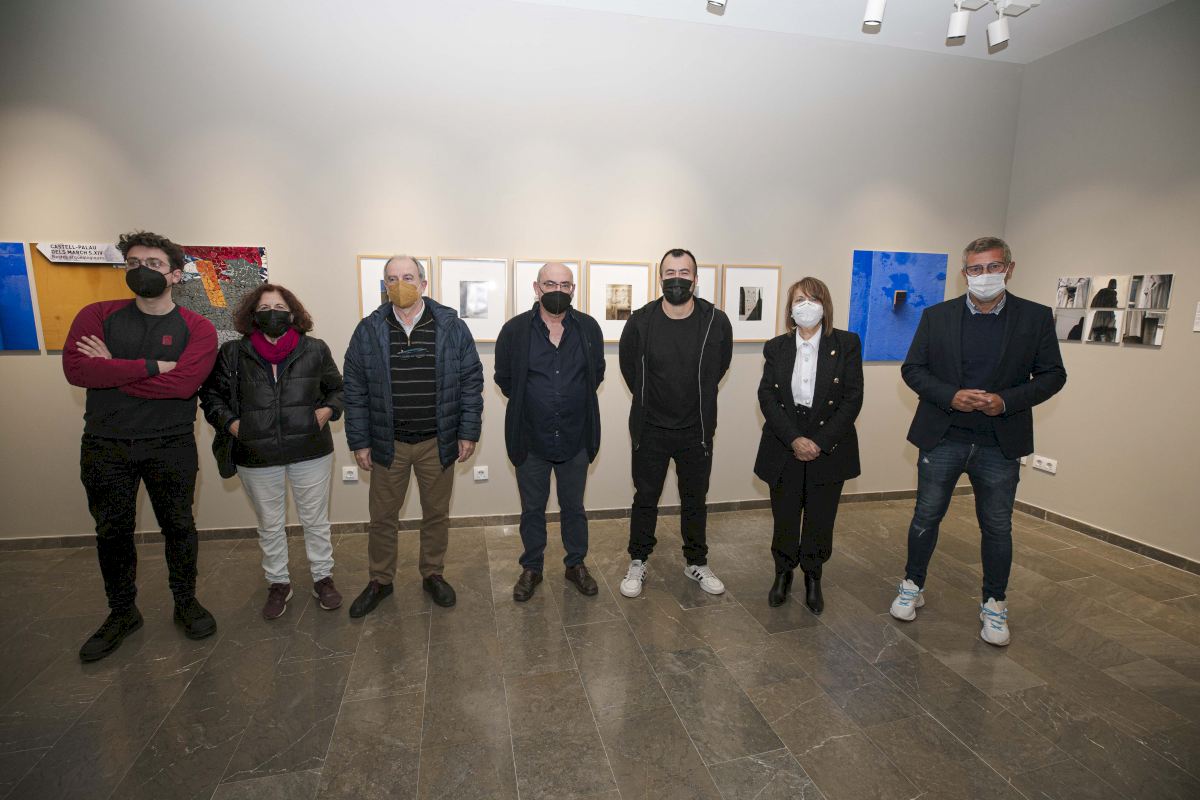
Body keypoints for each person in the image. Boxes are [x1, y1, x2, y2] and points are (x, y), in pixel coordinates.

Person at [889, 236, 1067, 646]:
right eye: (975, 269)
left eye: (993, 267)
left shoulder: (1035, 318)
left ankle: (994, 603)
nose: (984, 275)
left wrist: (1005, 401)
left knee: (997, 526)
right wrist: (950, 395)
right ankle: (912, 585)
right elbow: (913, 369)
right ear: (964, 273)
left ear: (1009, 269)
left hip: (999, 443)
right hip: (943, 437)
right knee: (925, 517)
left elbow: (1053, 375)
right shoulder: (937, 316)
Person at [62, 230, 218, 662]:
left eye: (153, 264)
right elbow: (78, 371)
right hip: (105, 444)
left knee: (179, 526)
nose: (141, 270)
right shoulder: (97, 315)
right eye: (133, 263)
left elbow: (184, 384)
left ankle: (185, 602)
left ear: (175, 275)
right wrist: (153, 367)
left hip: (170, 443)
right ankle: (122, 612)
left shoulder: (197, 327)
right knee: (111, 531)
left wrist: (112, 370)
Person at [343, 255, 483, 617]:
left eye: (407, 277)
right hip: (387, 443)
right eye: (392, 278)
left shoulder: (451, 327)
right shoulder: (369, 329)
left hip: (438, 441)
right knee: (382, 517)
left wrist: (467, 432)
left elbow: (471, 382)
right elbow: (354, 388)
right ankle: (380, 580)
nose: (400, 284)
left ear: (423, 283)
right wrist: (360, 441)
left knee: (436, 513)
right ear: (385, 285)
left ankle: (433, 573)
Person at [200, 284, 345, 619]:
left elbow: (338, 390)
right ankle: (279, 583)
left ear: (292, 314)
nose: (272, 314)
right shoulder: (233, 352)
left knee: (315, 521)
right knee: (270, 524)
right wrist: (233, 425)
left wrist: (326, 412)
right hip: (256, 453)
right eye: (264, 309)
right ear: (253, 316)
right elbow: (211, 396)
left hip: (310, 450)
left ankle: (323, 578)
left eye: (279, 308)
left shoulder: (315, 349)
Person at [617, 248, 733, 598]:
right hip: (650, 429)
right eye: (670, 273)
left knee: (695, 500)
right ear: (661, 278)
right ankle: (638, 560)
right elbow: (629, 369)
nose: (677, 279)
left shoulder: (715, 321)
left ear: (695, 279)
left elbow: (719, 367)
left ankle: (696, 562)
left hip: (696, 430)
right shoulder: (641, 321)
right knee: (645, 498)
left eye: (684, 273)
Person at [495, 263, 606, 601]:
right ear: (536, 287)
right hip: (531, 437)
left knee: (574, 507)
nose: (558, 290)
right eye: (550, 284)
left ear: (573, 289)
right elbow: (504, 378)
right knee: (532, 509)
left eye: (564, 284)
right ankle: (532, 567)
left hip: (576, 436)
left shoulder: (588, 328)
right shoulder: (515, 330)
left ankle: (576, 564)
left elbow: (596, 374)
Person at [754, 277, 862, 613]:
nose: (806, 305)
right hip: (784, 439)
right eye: (799, 299)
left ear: (825, 305)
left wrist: (819, 442)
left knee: (820, 517)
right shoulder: (776, 347)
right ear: (790, 308)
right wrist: (794, 438)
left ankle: (813, 576)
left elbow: (852, 398)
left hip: (829, 442)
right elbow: (767, 396)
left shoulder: (846, 343)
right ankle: (783, 573)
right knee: (785, 514)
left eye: (813, 299)